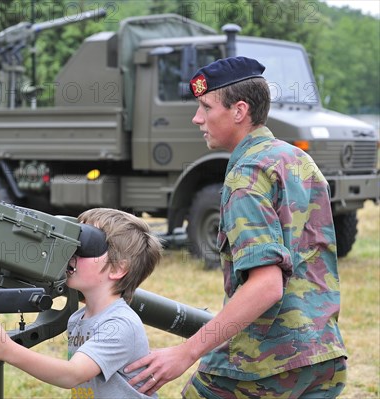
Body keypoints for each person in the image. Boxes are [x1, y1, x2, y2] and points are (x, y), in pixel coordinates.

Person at [125, 56, 348, 398]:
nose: (197, 118)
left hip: (264, 364)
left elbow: (266, 286)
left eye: (205, 106)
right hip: (323, 355)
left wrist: (185, 353)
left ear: (239, 111)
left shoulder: (246, 175)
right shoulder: (297, 159)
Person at [0, 208, 163, 398]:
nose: (72, 253)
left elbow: (72, 375)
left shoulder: (120, 325)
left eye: (87, 245)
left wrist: (8, 351)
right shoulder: (78, 318)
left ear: (117, 269)